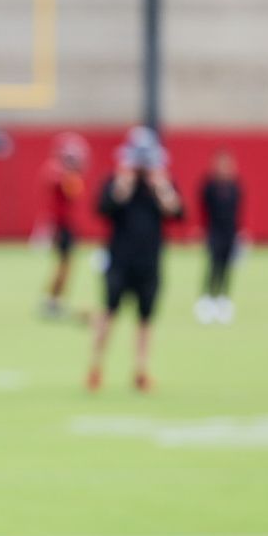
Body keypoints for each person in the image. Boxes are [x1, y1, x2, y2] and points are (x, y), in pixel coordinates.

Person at [87, 126, 182, 392]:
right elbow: (102, 208)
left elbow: (177, 213)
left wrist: (161, 187)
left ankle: (141, 369)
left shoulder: (161, 183)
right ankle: (96, 366)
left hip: (149, 262)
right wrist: (123, 185)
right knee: (109, 313)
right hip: (119, 260)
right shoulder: (118, 181)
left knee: (145, 319)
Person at [37, 132, 90, 319]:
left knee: (66, 265)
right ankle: (51, 301)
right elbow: (69, 189)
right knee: (64, 265)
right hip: (61, 226)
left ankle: (55, 300)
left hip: (64, 225)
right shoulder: (60, 174)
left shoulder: (65, 174)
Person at [195, 149, 243, 324]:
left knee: (227, 268)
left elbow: (237, 212)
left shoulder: (235, 186)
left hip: (229, 233)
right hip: (214, 232)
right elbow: (203, 209)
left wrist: (239, 233)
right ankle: (207, 299)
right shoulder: (210, 186)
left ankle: (223, 301)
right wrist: (201, 229)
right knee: (213, 266)